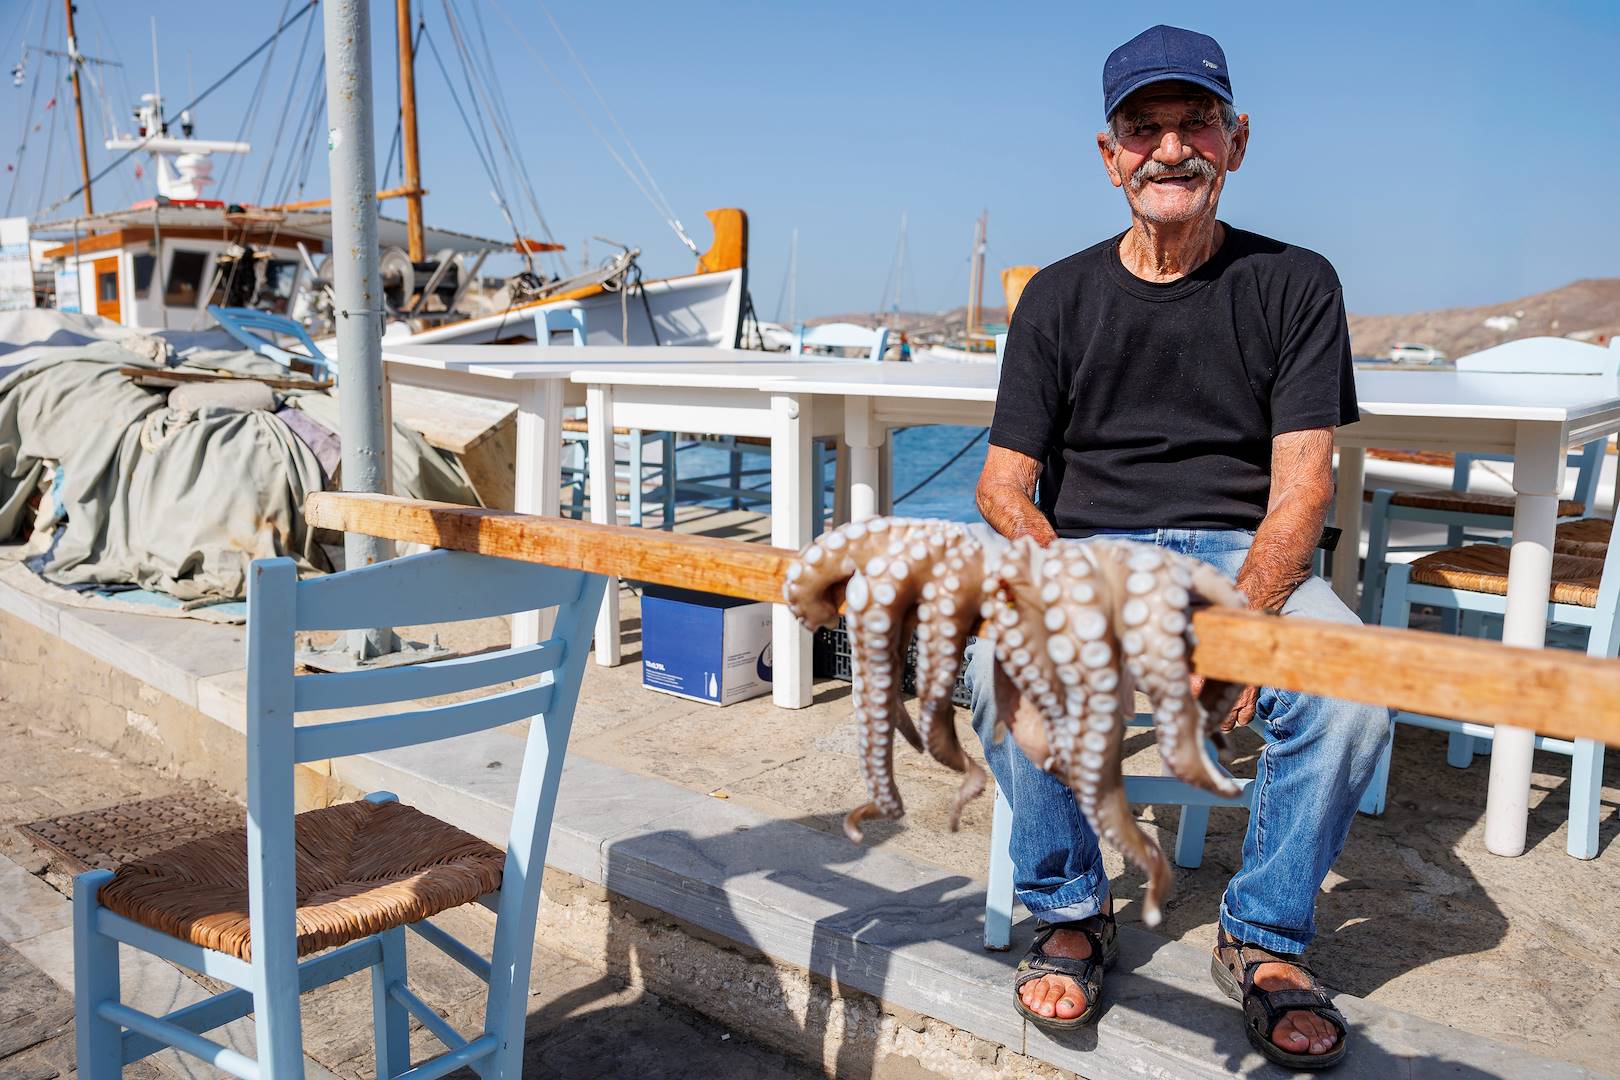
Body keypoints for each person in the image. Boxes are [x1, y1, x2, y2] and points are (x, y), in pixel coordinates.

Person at [968, 23, 1389, 1070]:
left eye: (1194, 121)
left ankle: (1267, 938)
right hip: (1098, 553)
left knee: (1354, 699)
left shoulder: (1295, 282)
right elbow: (1002, 483)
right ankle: (1071, 908)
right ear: (1109, 157)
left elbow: (1302, 489)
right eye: (1142, 129)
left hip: (1238, 554)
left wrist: (1242, 624)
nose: (1170, 148)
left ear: (1235, 140)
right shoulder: (1058, 297)